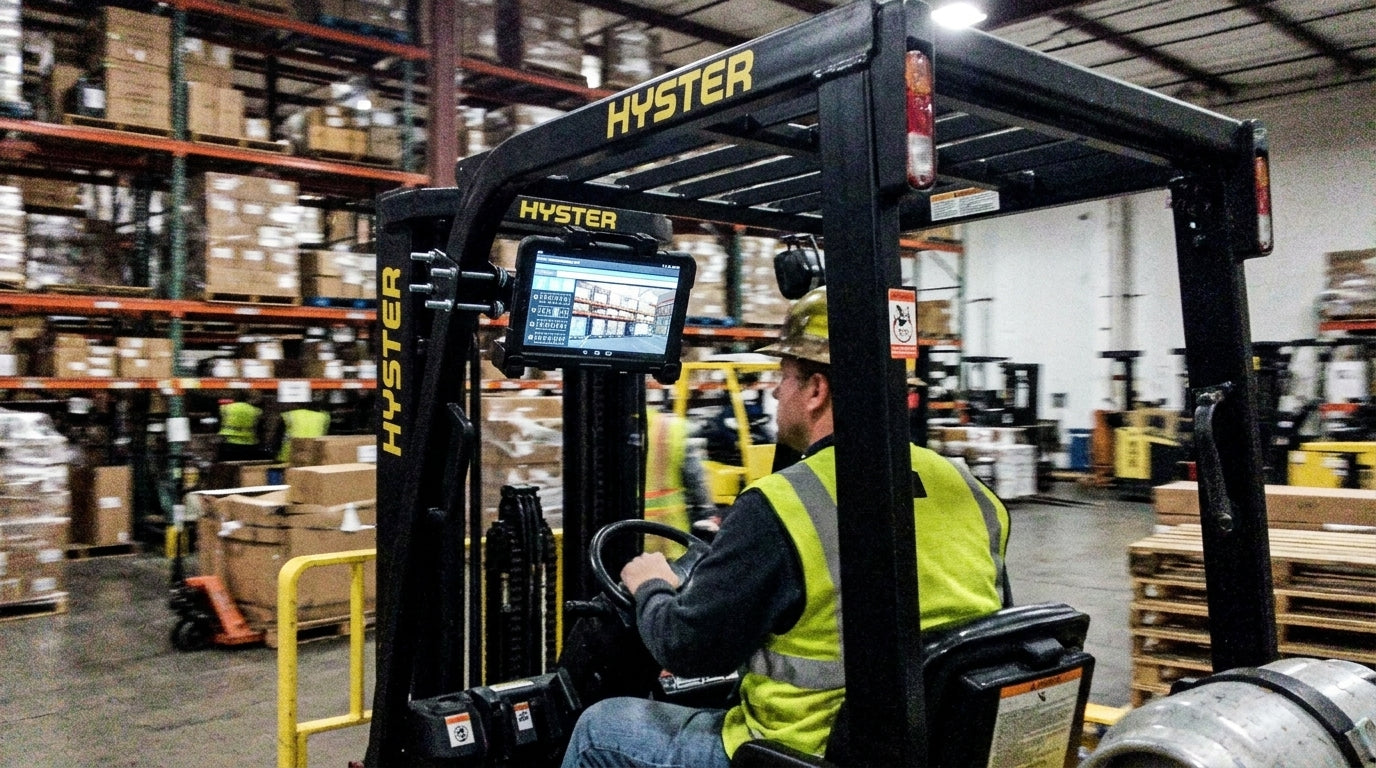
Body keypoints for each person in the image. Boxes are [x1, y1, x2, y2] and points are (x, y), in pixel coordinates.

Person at [560, 286, 1011, 767]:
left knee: (599, 729)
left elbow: (688, 648)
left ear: (816, 390)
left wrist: (651, 584)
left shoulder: (782, 505)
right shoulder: (972, 491)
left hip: (802, 751)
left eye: (785, 376)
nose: (775, 391)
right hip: (928, 747)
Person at [643, 406, 717, 555]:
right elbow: (695, 477)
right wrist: (706, 510)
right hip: (667, 530)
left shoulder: (614, 425)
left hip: (621, 532)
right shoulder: (669, 428)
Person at [274, 395, 331, 462]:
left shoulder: (288, 415)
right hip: (313, 458)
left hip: (287, 457)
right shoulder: (324, 416)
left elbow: (277, 438)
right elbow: (325, 436)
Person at [216, 391, 263, 462]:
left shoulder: (225, 408)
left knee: (226, 469)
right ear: (248, 398)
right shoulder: (257, 411)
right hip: (249, 446)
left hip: (229, 444)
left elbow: (218, 422)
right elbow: (259, 429)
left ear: (235, 398)